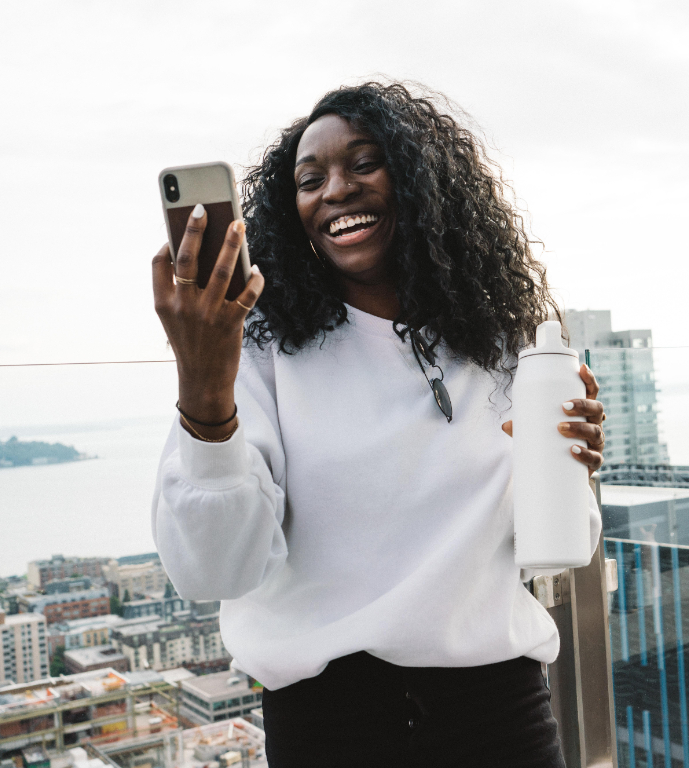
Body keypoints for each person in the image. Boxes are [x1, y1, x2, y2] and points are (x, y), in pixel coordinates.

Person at [150, 82, 606, 767]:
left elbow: (556, 548)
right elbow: (213, 569)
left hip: (501, 714)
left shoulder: (508, 342)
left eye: (364, 163)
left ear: (422, 183)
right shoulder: (261, 347)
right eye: (310, 179)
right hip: (332, 731)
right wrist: (204, 384)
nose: (335, 190)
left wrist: (571, 472)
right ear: (292, 209)